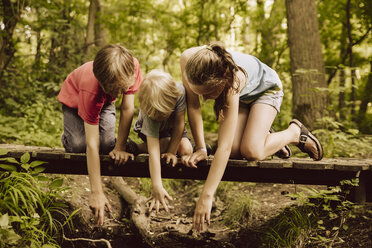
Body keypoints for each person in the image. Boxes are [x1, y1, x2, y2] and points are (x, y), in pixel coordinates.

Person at [180, 41, 323, 232]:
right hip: (243, 98)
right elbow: (193, 105)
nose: (204, 99)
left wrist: (207, 195)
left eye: (209, 93)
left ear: (223, 78)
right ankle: (264, 135)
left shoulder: (234, 79)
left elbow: (223, 145)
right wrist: (201, 148)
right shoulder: (188, 60)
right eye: (201, 93)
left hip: (265, 91)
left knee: (252, 151)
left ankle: (294, 133)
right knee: (235, 152)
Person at [58, 44, 143, 225]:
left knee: (108, 144)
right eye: (115, 91)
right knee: (78, 146)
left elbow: (127, 108)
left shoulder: (131, 67)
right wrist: (97, 191)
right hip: (75, 101)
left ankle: (122, 144)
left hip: (102, 102)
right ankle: (69, 135)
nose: (119, 95)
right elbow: (91, 145)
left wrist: (120, 147)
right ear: (102, 82)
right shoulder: (91, 89)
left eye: (122, 89)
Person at [133, 69, 193, 213]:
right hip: (153, 133)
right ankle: (138, 147)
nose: (161, 117)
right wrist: (157, 186)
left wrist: (172, 152)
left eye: (164, 113)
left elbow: (179, 124)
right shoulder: (151, 113)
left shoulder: (178, 93)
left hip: (172, 128)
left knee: (186, 150)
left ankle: (166, 145)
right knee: (162, 145)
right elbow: (154, 152)